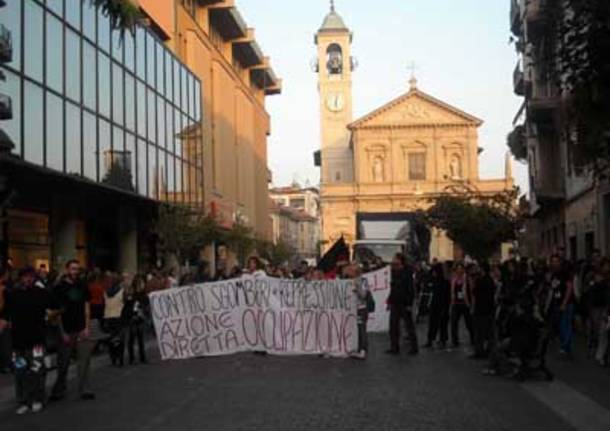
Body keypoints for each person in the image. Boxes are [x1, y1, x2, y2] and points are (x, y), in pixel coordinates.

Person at [0, 267, 60, 414]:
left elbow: (57, 307)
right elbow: (4, 315)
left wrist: (49, 317)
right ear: (20, 278)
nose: (28, 279)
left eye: (31, 277)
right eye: (25, 277)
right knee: (20, 371)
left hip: (37, 341)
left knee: (37, 370)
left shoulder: (42, 293)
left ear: (34, 278)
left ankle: (37, 399)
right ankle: (23, 401)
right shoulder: (12, 295)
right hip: (18, 342)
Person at [51, 259, 97, 401]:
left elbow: (86, 307)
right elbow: (57, 312)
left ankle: (86, 389)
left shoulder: (82, 285)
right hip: (66, 329)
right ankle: (59, 389)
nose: (75, 272)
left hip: (81, 328)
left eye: (77, 269)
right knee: (63, 362)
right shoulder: (59, 288)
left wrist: (87, 327)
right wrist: (62, 331)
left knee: (84, 361)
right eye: (72, 269)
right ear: (67, 269)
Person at [387, 253, 418, 355]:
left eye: (395, 259)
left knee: (409, 326)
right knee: (393, 326)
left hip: (404, 303)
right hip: (395, 302)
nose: (393, 260)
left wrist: (409, 303)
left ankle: (414, 348)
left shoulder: (407, 272)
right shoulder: (393, 271)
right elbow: (393, 288)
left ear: (400, 260)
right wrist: (390, 300)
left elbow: (410, 289)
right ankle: (394, 347)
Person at [545, 254, 575, 356]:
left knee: (566, 325)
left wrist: (564, 303)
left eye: (556, 261)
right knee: (560, 326)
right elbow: (552, 290)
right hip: (556, 303)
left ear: (560, 262)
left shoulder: (565, 273)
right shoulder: (553, 275)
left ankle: (565, 346)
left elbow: (569, 288)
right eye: (552, 261)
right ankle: (566, 346)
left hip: (566, 303)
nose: (554, 263)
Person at [470, 263, 497, 359]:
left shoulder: (480, 280)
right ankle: (489, 350)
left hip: (480, 309)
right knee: (489, 332)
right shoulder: (491, 280)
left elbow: (474, 292)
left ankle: (479, 351)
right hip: (489, 309)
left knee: (479, 332)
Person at [124, 274, 149, 365]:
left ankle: (142, 357)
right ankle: (132, 358)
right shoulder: (131, 293)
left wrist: (144, 310)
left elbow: (146, 304)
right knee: (132, 338)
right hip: (132, 318)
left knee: (141, 339)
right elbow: (127, 305)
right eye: (142, 283)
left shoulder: (144, 294)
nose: (143, 285)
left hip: (140, 318)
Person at [424, 263, 450, 349]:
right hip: (435, 305)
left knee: (442, 324)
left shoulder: (444, 282)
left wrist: (445, 307)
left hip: (442, 305)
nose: (433, 273)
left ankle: (442, 340)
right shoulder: (436, 280)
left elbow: (447, 296)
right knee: (433, 323)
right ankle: (431, 340)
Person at [347, 264, 369, 359]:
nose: (349, 272)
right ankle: (357, 349)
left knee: (361, 330)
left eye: (351, 270)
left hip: (361, 309)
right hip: (352, 310)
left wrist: (357, 288)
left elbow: (363, 295)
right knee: (355, 330)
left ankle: (363, 350)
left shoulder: (363, 281)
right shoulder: (348, 281)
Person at [450, 262, 474, 348]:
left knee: (469, 323)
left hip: (465, 303)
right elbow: (452, 291)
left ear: (463, 269)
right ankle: (454, 340)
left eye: (461, 268)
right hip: (456, 303)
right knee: (453, 323)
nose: (459, 270)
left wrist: (472, 304)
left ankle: (473, 338)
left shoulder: (467, 278)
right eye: (458, 269)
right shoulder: (454, 279)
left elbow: (471, 292)